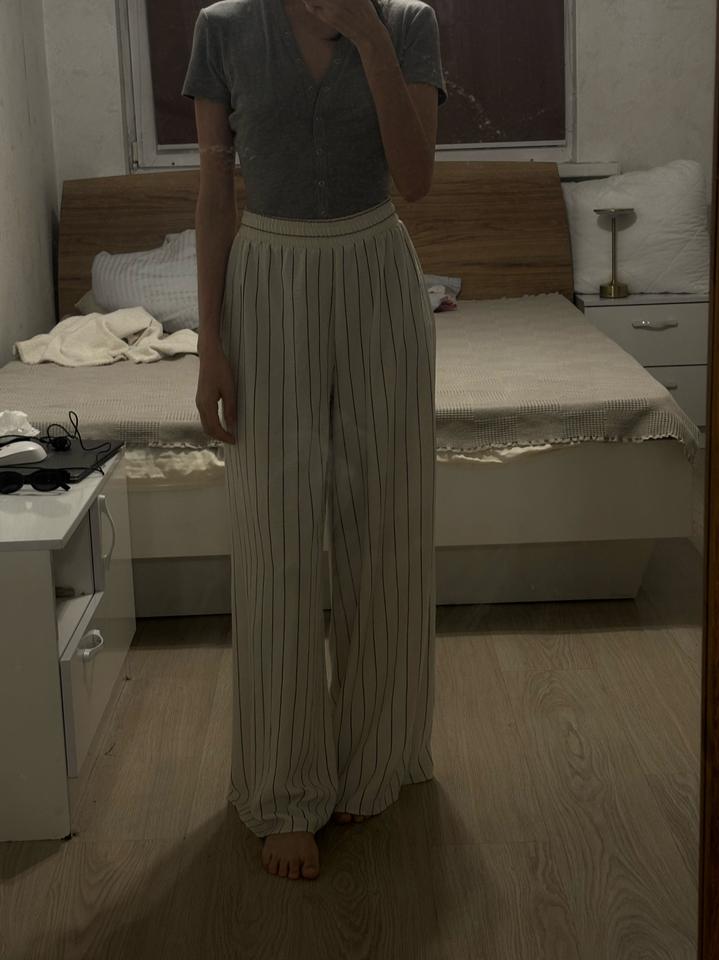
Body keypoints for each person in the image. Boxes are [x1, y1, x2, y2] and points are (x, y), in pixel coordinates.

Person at [182, 0, 448, 881]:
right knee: (276, 538)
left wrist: (368, 35)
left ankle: (375, 760)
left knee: (387, 531)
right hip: (268, 279)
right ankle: (284, 787)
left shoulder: (407, 22)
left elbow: (417, 179)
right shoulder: (224, 27)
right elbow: (214, 191)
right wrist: (210, 344)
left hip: (378, 272)